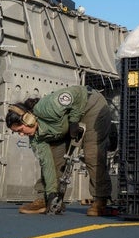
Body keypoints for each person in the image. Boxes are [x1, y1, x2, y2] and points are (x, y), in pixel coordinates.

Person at [7, 85, 112, 216]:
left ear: (28, 119)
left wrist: (74, 120)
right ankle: (49, 200)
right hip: (64, 124)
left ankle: (100, 200)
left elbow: (77, 93)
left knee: (92, 154)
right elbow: (47, 164)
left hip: (90, 106)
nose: (21, 135)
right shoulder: (35, 139)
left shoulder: (48, 106)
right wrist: (51, 192)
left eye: (20, 130)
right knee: (53, 156)